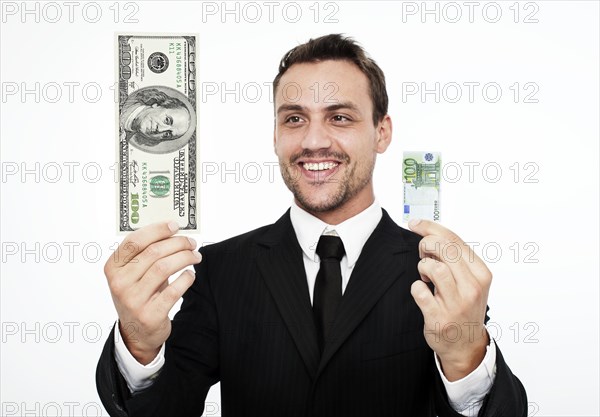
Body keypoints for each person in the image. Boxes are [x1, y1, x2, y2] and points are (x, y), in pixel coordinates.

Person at [97, 34, 527, 416]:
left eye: (340, 117)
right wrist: (139, 345)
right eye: (294, 118)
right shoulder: (220, 269)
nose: (313, 141)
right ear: (275, 135)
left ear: (382, 132)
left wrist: (467, 357)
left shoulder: (436, 272)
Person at [119, 87, 192, 148]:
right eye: (166, 120)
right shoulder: (123, 98)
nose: (160, 129)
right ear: (157, 105)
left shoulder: (122, 143)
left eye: (167, 134)